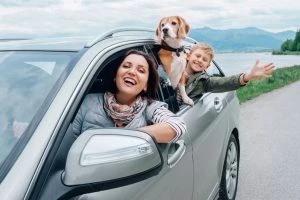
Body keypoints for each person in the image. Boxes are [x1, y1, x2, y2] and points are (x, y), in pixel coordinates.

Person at [73, 50, 186, 143]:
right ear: (115, 76)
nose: (132, 72)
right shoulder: (88, 102)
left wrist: (128, 137)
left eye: (141, 70)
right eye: (126, 66)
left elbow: (178, 126)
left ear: (146, 85)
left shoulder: (150, 107)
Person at [177, 43, 276, 106]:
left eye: (204, 60)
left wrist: (248, 76)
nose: (199, 60)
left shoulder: (204, 82)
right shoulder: (172, 67)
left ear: (207, 66)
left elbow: (225, 82)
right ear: (188, 56)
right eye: (197, 56)